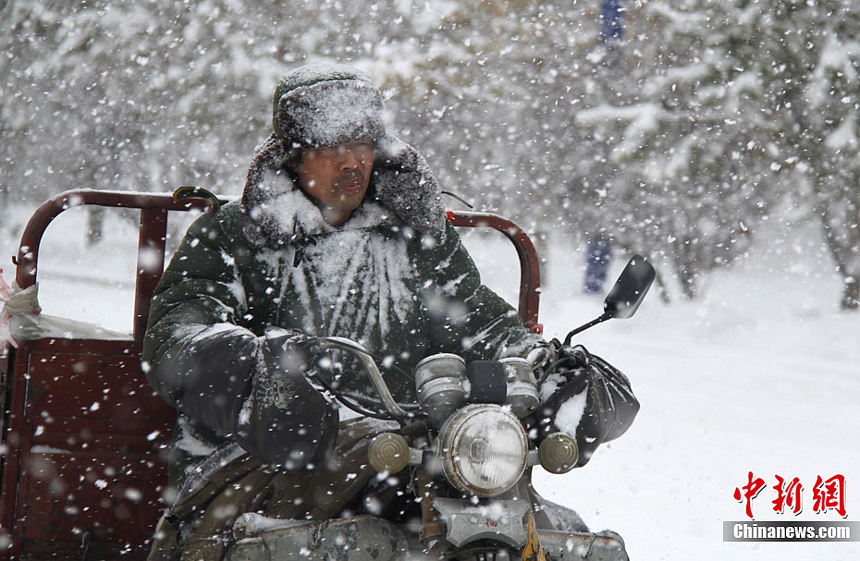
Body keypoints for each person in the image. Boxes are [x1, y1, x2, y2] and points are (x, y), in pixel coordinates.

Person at [142, 63, 639, 560]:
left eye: (361, 146)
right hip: (264, 462)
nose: (352, 162)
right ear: (293, 158)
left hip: (416, 455)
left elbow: (478, 320)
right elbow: (179, 335)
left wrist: (545, 367)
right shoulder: (234, 235)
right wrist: (257, 376)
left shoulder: (414, 238)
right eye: (331, 148)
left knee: (529, 529)